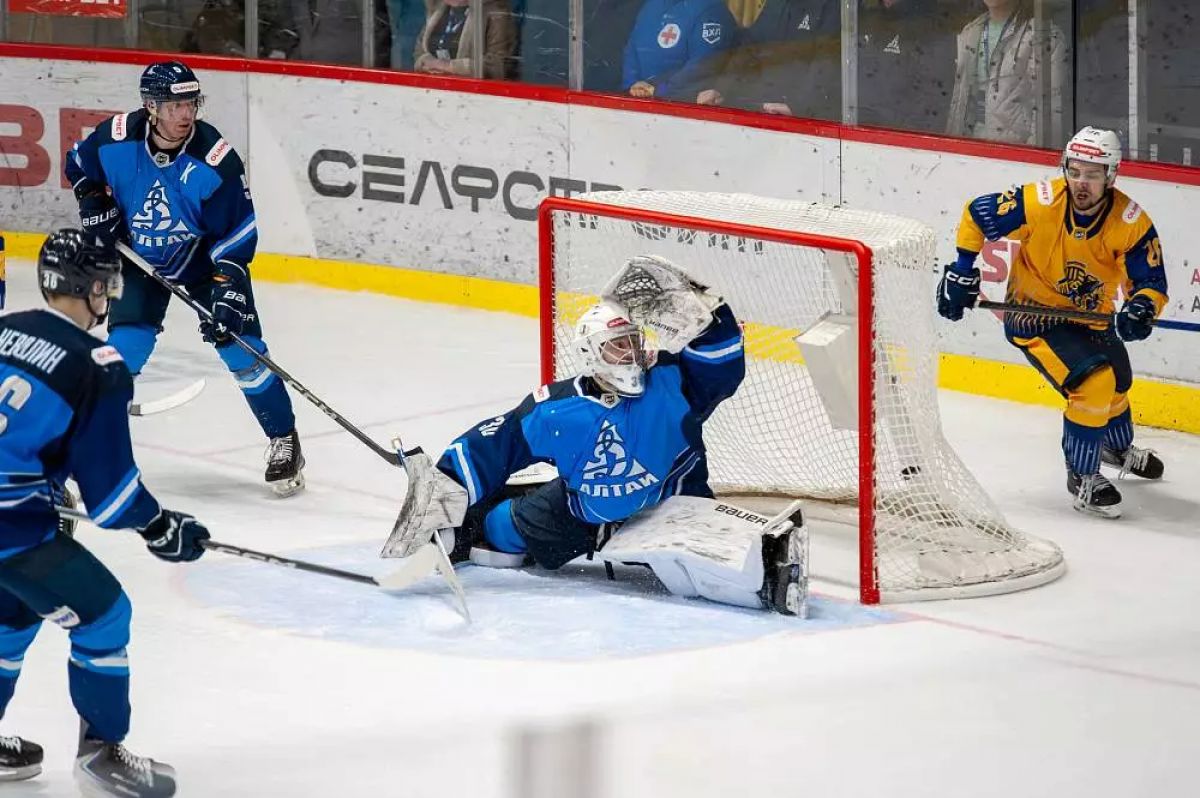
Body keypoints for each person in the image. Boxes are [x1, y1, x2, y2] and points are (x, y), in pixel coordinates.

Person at [412, 257, 804, 613]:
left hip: (672, 507)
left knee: (700, 576)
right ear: (591, 354)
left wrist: (711, 314)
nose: (631, 355)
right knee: (499, 529)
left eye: (634, 342)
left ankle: (764, 576)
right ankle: (471, 526)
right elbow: (492, 444)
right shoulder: (556, 409)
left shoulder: (670, 384)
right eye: (618, 347)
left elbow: (721, 367)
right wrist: (443, 497)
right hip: (580, 515)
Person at [0, 230, 211, 797]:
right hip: (12, 528)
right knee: (104, 615)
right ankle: (101, 754)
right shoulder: (98, 363)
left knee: (11, 618)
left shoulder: (5, 326)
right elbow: (112, 496)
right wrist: (161, 526)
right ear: (94, 288)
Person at [64, 61, 305, 497]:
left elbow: (235, 234)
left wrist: (227, 292)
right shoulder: (116, 138)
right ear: (151, 107)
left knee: (241, 349)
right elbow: (79, 164)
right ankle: (88, 447)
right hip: (139, 257)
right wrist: (93, 202)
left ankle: (284, 438)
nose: (185, 114)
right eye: (175, 105)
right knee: (125, 348)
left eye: (191, 103)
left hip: (203, 260)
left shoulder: (215, 158)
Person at [938, 126, 1168, 518]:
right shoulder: (1039, 201)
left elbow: (1150, 281)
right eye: (1075, 171)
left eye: (1092, 174)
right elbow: (977, 213)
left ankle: (1114, 448)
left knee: (1119, 382)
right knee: (1094, 384)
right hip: (1034, 316)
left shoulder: (1130, 221)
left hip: (1091, 317)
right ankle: (1082, 475)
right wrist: (962, 269)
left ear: (1111, 176)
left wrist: (1142, 307)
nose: (1081, 183)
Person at [693, 0, 841, 119]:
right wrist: (721, 89)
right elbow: (749, 48)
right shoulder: (776, 4)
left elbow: (828, 61)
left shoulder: (833, 6)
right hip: (764, 110)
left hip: (804, 123)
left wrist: (797, 107)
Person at [945, 0, 1066, 146]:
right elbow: (959, 102)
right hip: (967, 148)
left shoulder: (1044, 37)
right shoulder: (970, 32)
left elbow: (1049, 117)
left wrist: (1027, 158)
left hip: (1013, 154)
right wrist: (949, 148)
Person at [622, 0, 736, 101]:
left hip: (678, 105)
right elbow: (632, 49)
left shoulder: (711, 9)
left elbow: (701, 68)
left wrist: (659, 90)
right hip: (636, 101)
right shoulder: (651, 4)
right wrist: (631, 86)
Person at [414, 0, 518, 79]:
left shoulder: (496, 12)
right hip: (432, 90)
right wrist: (425, 62)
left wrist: (448, 67)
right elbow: (420, 50)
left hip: (474, 94)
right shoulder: (438, 8)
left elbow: (498, 66)